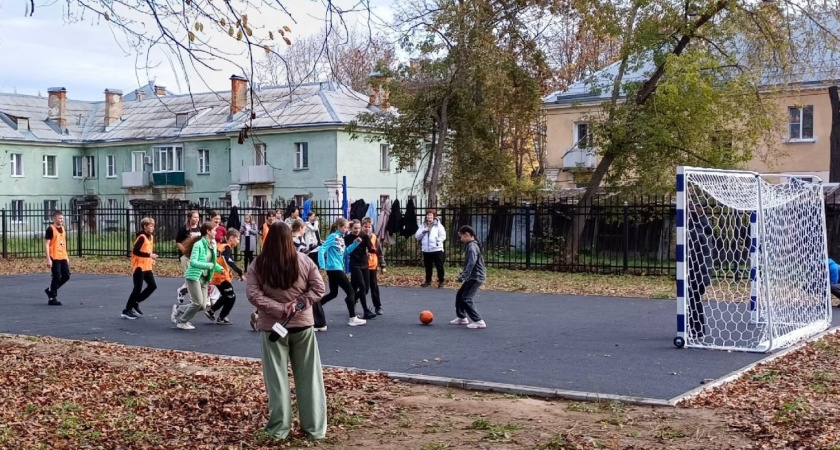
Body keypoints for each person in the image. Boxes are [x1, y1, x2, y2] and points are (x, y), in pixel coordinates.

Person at [246, 221, 327, 441]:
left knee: (276, 379)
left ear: (268, 238)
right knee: (309, 377)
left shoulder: (258, 264)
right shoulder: (304, 260)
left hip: (272, 328)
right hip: (302, 326)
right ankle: (315, 428)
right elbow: (319, 288)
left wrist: (279, 309)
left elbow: (253, 295)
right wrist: (299, 303)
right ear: (290, 237)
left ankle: (279, 429)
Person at [172, 221, 224, 330]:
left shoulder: (212, 245)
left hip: (204, 278)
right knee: (197, 303)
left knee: (203, 305)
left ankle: (179, 309)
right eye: (214, 230)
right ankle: (182, 321)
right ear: (208, 231)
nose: (216, 232)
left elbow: (212, 263)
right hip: (194, 276)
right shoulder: (198, 244)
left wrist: (219, 268)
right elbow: (193, 262)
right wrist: (208, 265)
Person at [317, 218, 365, 327]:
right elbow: (322, 249)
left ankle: (315, 307)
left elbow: (344, 253)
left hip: (336, 268)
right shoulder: (333, 236)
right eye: (345, 227)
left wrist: (354, 244)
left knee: (333, 293)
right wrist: (322, 265)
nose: (347, 229)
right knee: (351, 291)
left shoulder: (341, 238)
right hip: (334, 269)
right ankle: (352, 318)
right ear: (339, 227)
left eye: (348, 227)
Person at [122, 217, 158, 319]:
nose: (152, 228)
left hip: (147, 266)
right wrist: (149, 256)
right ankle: (126, 310)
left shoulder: (150, 237)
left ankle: (136, 301)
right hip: (139, 267)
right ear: (145, 226)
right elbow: (135, 251)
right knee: (137, 289)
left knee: (152, 286)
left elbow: (147, 250)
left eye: (153, 226)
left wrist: (151, 259)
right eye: (150, 226)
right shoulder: (142, 237)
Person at [206, 228, 245, 324]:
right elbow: (229, 261)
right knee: (231, 297)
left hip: (217, 276)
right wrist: (240, 272)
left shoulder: (220, 246)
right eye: (238, 239)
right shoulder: (226, 248)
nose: (238, 242)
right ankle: (222, 317)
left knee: (225, 296)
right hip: (222, 277)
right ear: (231, 238)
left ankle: (211, 311)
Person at [451, 225, 487, 329]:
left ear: (467, 235)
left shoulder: (472, 246)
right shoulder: (472, 245)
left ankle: (479, 321)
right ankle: (462, 317)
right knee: (460, 295)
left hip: (476, 277)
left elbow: (471, 262)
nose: (460, 239)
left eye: (461, 236)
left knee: (466, 298)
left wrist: (463, 276)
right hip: (473, 276)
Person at [687, 204, 712, 339]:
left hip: (695, 272)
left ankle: (697, 330)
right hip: (703, 272)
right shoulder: (704, 228)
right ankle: (696, 329)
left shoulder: (694, 232)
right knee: (695, 300)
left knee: (693, 301)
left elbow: (688, 253)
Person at [346, 220, 377, 320]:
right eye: (355, 228)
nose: (357, 230)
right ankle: (366, 311)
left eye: (359, 228)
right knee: (362, 288)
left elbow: (369, 247)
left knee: (366, 289)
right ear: (351, 228)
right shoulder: (347, 238)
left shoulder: (364, 235)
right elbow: (347, 250)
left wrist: (372, 250)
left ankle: (351, 299)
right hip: (355, 265)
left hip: (364, 264)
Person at [44, 210, 70, 306]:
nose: (61, 220)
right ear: (54, 219)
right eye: (59, 218)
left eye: (62, 218)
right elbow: (47, 244)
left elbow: (63, 243)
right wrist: (48, 259)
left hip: (62, 256)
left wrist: (66, 256)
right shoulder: (50, 229)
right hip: (54, 256)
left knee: (66, 276)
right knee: (57, 275)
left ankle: (51, 290)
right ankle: (52, 298)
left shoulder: (63, 228)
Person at [415, 209, 446, 288]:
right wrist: (423, 232)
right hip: (426, 249)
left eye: (431, 215)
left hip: (437, 249)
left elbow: (443, 235)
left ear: (434, 217)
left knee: (439, 266)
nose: (429, 217)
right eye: (428, 215)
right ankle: (428, 281)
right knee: (428, 266)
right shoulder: (423, 226)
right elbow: (417, 236)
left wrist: (437, 242)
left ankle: (441, 281)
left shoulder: (438, 225)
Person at [362, 217, 386, 315]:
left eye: (369, 226)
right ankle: (353, 301)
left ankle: (378, 306)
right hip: (362, 266)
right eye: (365, 226)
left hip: (372, 265)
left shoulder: (375, 238)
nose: (367, 228)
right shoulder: (359, 237)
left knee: (374, 286)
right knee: (363, 287)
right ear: (362, 227)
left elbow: (379, 252)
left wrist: (383, 265)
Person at [176, 211, 202, 295]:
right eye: (194, 217)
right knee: (190, 276)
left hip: (196, 256)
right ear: (190, 218)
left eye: (197, 217)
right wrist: (184, 250)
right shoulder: (184, 229)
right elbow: (178, 242)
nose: (196, 219)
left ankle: (182, 289)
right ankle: (192, 297)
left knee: (195, 276)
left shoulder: (200, 228)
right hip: (186, 256)